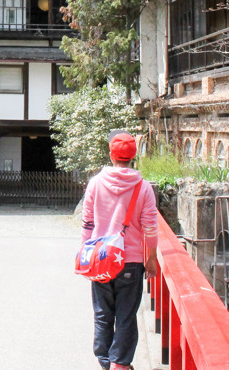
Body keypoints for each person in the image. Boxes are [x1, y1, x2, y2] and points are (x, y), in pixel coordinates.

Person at [81, 132, 159, 370]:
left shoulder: (95, 183)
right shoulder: (143, 188)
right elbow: (150, 227)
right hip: (131, 261)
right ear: (133, 156)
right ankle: (120, 364)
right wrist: (152, 258)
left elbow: (87, 223)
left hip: (101, 259)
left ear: (111, 155)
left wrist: (86, 254)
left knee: (103, 312)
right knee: (126, 315)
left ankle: (104, 360)